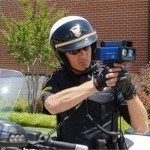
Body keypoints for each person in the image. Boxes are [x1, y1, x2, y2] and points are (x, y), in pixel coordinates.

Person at [40, 16, 148, 149]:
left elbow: (141, 128)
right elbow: (52, 105)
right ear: (61, 54)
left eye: (86, 48)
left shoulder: (111, 76)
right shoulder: (56, 78)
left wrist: (129, 91)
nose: (83, 55)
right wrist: (97, 84)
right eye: (74, 51)